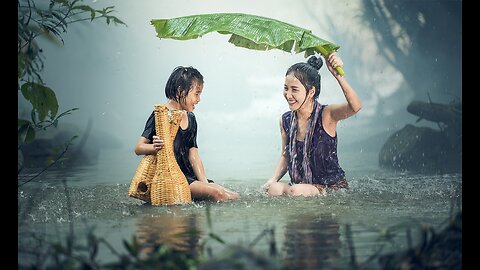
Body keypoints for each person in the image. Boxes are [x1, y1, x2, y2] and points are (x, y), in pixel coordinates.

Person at [134, 66, 240, 202]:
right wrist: (154, 148)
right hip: (173, 179)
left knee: (234, 196)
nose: (199, 99)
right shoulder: (161, 115)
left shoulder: (191, 118)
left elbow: (193, 155)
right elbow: (138, 148)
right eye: (197, 94)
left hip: (190, 177)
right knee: (218, 194)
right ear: (180, 91)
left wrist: (205, 183)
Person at [262, 53, 361, 197]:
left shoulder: (327, 115)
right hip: (301, 187)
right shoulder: (285, 120)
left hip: (331, 188)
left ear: (311, 92)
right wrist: (271, 180)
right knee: (274, 189)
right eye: (286, 88)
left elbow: (355, 106)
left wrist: (337, 75)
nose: (288, 95)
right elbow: (285, 155)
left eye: (294, 90)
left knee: (296, 190)